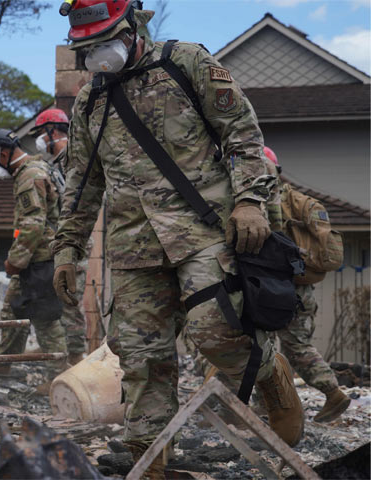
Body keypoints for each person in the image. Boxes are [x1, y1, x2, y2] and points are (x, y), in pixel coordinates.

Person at [51, 1, 304, 476]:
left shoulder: (186, 63)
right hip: (133, 244)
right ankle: (152, 463)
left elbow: (243, 135)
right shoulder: (90, 103)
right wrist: (68, 247)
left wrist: (250, 199)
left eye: (103, 42)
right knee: (142, 358)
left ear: (132, 28)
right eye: (87, 48)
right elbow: (83, 184)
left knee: (216, 329)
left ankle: (273, 374)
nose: (97, 55)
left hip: (203, 228)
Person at [263, 146, 351, 423]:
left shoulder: (258, 202)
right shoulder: (303, 203)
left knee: (258, 347)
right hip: (298, 289)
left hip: (268, 287)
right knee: (296, 345)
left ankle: (258, 405)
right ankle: (332, 391)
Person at [0, 129, 68, 393]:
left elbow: (32, 225)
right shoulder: (36, 168)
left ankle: (59, 377)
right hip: (34, 258)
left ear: (4, 154)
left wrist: (15, 261)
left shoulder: (29, 176)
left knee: (45, 319)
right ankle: (4, 361)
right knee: (12, 310)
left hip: (39, 260)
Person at [32, 108, 88, 365]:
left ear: (52, 131)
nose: (40, 140)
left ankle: (76, 359)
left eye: (41, 134)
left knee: (69, 300)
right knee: (60, 300)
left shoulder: (72, 157)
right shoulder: (57, 163)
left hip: (74, 241)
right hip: (63, 240)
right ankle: (65, 358)